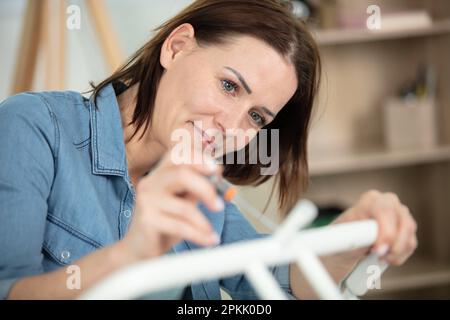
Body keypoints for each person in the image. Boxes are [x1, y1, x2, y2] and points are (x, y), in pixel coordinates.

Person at [0, 0, 417, 299]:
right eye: (229, 85)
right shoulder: (34, 129)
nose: (231, 128)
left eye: (257, 118)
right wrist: (131, 255)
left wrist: (346, 243)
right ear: (176, 46)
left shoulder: (203, 188)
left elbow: (276, 282)